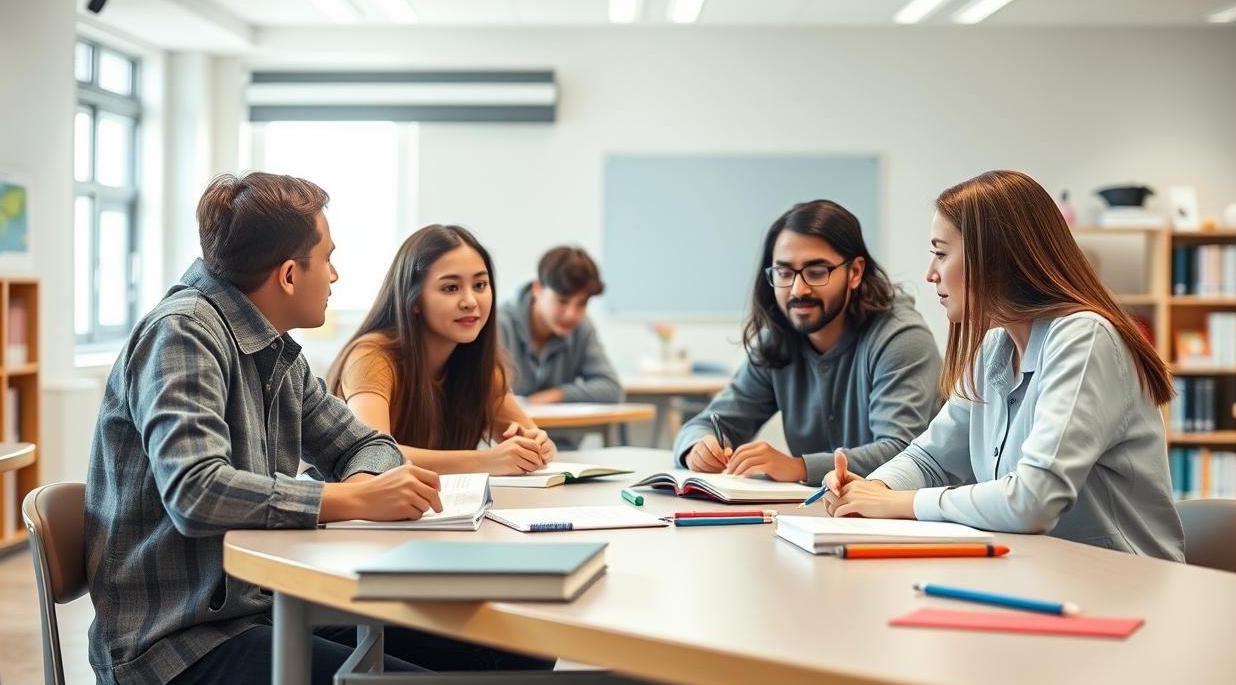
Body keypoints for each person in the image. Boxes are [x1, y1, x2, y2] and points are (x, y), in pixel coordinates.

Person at [85, 172, 549, 685]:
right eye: (327, 259)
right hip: (173, 648)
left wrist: (365, 484)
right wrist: (354, 500)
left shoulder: (277, 351)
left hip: (261, 611)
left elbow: (367, 443)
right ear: (288, 275)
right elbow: (196, 492)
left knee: (516, 649)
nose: (334, 274)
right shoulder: (182, 334)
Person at [823, 170, 1185, 562]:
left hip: (1123, 584)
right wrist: (871, 489)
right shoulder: (996, 347)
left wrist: (901, 503)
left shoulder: (1084, 338)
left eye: (941, 254)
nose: (931, 273)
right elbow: (930, 459)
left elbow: (1033, 500)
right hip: (1041, 575)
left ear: (994, 259)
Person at [672, 199, 942, 487]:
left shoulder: (901, 337)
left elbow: (902, 453)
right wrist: (698, 448)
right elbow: (708, 423)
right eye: (784, 273)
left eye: (816, 272)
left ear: (855, 272)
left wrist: (799, 467)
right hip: (819, 510)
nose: (798, 290)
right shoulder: (778, 340)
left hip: (908, 510)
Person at [328, 224, 556, 476]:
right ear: (414, 299)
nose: (470, 301)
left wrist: (538, 446)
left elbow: (536, 439)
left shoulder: (477, 364)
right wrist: (485, 460)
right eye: (451, 288)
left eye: (480, 285)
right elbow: (373, 455)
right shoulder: (371, 357)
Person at [499, 245, 622, 405]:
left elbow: (611, 388)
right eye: (562, 300)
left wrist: (556, 395)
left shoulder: (581, 328)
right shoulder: (498, 325)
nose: (571, 314)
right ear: (537, 289)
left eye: (582, 303)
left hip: (553, 422)